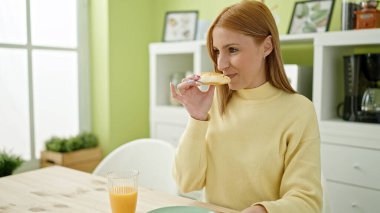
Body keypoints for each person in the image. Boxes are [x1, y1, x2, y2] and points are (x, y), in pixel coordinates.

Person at [170, 0, 322, 213]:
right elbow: (186, 183)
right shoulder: (212, 103)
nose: (221, 64)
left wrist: (261, 210)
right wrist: (196, 118)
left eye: (232, 49)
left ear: (267, 46)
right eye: (216, 51)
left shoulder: (299, 111)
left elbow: (307, 201)